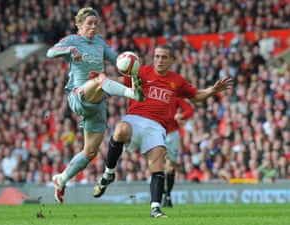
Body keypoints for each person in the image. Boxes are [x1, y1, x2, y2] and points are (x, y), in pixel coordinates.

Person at [92, 44, 233, 218]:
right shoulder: (141, 72)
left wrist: (213, 90)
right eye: (157, 56)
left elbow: (195, 96)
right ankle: (109, 173)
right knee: (120, 130)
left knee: (158, 161)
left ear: (171, 60)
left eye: (164, 57)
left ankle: (155, 209)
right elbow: (120, 82)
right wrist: (103, 78)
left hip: (157, 126)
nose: (159, 60)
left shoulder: (177, 80)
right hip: (135, 119)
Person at [46, 7, 144, 203]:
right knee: (100, 79)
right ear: (79, 25)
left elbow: (117, 61)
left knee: (89, 152)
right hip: (79, 95)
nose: (93, 27)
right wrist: (70, 50)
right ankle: (132, 94)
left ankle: (62, 179)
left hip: (97, 102)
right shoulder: (72, 41)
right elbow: (50, 52)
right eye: (89, 24)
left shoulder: (100, 42)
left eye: (95, 24)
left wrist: (131, 64)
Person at [162, 98, 194, 208]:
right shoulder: (153, 93)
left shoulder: (174, 94)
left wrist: (182, 116)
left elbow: (189, 109)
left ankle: (167, 195)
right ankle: (161, 194)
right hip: (156, 132)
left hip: (171, 134)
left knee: (170, 166)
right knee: (155, 164)